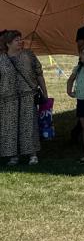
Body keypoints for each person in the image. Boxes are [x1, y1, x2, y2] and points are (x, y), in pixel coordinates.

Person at [0, 30, 49, 166]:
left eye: (20, 39)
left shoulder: (28, 55)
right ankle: (13, 156)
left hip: (28, 95)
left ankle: (32, 155)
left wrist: (45, 92)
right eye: (16, 40)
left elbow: (39, 74)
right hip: (8, 98)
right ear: (8, 43)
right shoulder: (1, 59)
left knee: (29, 125)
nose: (20, 41)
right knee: (10, 127)